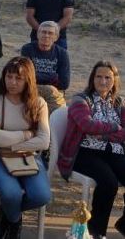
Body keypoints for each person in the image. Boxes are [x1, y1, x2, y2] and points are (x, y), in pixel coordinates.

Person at [0, 56, 51, 239]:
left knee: (41, 195)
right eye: (9, 77)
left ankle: (6, 213)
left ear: (28, 80)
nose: (12, 82)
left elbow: (43, 141)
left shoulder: (38, 103)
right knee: (11, 194)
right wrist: (26, 135)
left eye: (18, 78)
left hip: (27, 156)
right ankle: (14, 221)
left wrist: (5, 139)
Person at [58, 61, 125, 238]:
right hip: (84, 153)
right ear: (92, 78)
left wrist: (104, 134)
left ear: (114, 80)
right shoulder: (80, 99)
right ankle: (97, 232)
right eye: (99, 76)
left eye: (107, 77)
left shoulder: (118, 103)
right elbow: (87, 125)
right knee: (109, 182)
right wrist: (115, 128)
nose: (103, 81)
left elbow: (122, 132)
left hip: (114, 151)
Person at [20, 21, 70, 113]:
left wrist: (37, 76)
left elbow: (64, 83)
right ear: (38, 34)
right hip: (32, 89)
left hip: (54, 92)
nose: (46, 35)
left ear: (56, 37)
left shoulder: (62, 53)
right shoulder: (27, 49)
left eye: (50, 33)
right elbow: (26, 75)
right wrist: (53, 77)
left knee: (59, 117)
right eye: (43, 32)